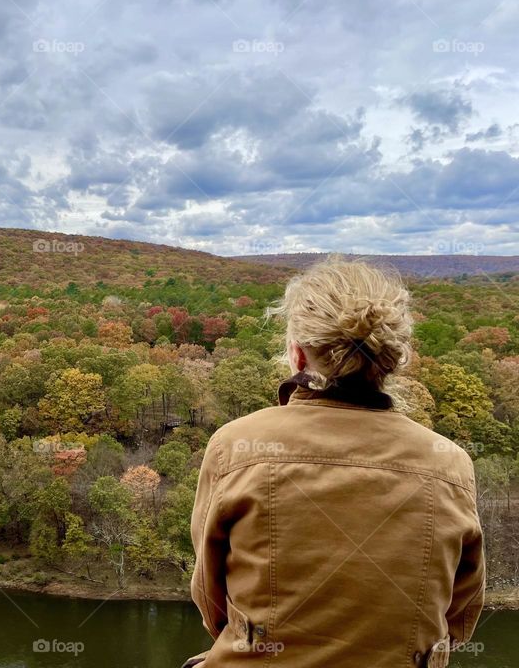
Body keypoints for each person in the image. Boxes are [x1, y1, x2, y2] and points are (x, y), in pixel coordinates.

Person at [183, 258, 484, 668]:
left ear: (298, 355)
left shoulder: (235, 447)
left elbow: (210, 600)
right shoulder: (450, 463)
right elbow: (460, 615)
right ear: (394, 358)